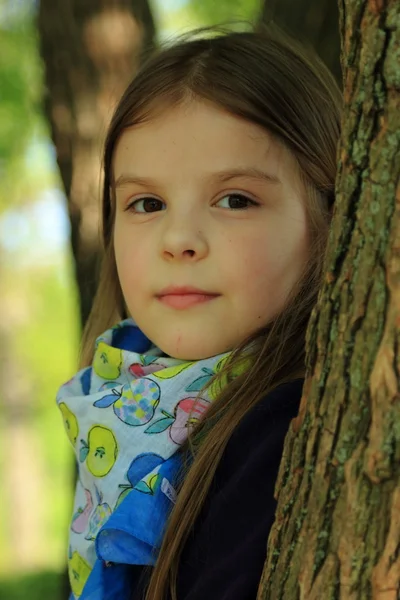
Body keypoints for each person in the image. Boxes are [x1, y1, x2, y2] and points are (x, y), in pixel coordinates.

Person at [56, 25, 341, 600]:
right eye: (147, 203)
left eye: (235, 200)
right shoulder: (124, 399)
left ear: (330, 215)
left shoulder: (279, 427)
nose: (179, 238)